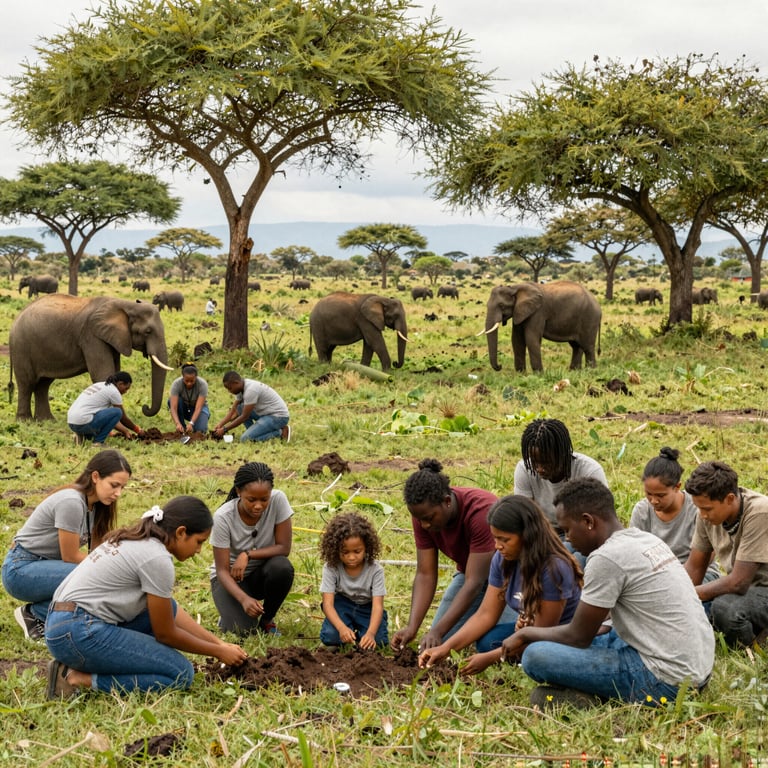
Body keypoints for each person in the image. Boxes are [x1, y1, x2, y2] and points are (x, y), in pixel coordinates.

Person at [503, 478, 714, 707]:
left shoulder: (606, 558)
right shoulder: (645, 539)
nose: (568, 539)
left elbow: (578, 636)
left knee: (535, 656)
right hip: (697, 668)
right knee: (599, 637)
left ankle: (597, 699)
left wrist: (526, 634)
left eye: (567, 530)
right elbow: (603, 625)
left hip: (666, 681)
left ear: (588, 522)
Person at [44, 496, 248, 699]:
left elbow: (171, 611)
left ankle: (78, 664)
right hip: (79, 632)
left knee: (165, 610)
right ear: (181, 532)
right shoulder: (157, 558)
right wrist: (217, 652)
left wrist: (220, 644)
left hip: (63, 626)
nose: (198, 550)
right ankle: (75, 678)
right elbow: (166, 634)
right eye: (199, 542)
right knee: (181, 674)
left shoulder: (140, 540)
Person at [418, 495, 582, 675]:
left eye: (505, 539)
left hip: (559, 637)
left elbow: (541, 635)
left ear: (527, 535)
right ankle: (515, 655)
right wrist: (446, 648)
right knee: (487, 642)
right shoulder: (503, 559)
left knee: (531, 652)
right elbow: (486, 614)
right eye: (495, 538)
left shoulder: (553, 569)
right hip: (529, 631)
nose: (497, 546)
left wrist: (490, 659)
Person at [2, 450, 132, 641]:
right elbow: (70, 557)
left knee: (99, 578)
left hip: (44, 567)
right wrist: (110, 572)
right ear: (95, 477)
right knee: (94, 579)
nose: (118, 493)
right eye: (114, 485)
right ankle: (35, 614)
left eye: (122, 487)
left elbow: (97, 554)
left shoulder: (96, 507)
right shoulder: (71, 502)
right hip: (20, 570)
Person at [390, 458, 515, 653]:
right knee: (440, 642)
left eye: (429, 519)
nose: (424, 526)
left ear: (447, 502)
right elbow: (425, 574)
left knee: (494, 643)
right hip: (468, 577)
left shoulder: (481, 512)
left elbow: (475, 582)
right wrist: (412, 627)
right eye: (419, 520)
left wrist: (437, 630)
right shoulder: (424, 515)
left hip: (506, 580)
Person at [684, 461, 768, 647]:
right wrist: (675, 595)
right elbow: (695, 567)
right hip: (746, 591)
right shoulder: (705, 515)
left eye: (707, 508)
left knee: (726, 608)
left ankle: (754, 647)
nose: (702, 514)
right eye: (699, 508)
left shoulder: (760, 511)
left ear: (730, 498)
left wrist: (688, 595)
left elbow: (738, 582)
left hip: (761, 588)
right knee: (694, 611)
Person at [210, 462, 295, 635]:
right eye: (251, 500)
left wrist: (247, 554)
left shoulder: (278, 500)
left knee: (282, 567)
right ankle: (229, 612)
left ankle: (266, 620)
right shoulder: (223, 517)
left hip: (261, 573)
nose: (258, 506)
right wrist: (243, 599)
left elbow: (284, 548)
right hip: (231, 579)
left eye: (264, 499)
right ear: (239, 492)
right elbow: (222, 571)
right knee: (243, 631)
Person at [514, 418, 607, 567]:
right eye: (534, 462)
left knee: (570, 562)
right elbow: (525, 518)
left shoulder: (589, 471)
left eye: (546, 462)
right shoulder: (525, 470)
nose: (539, 469)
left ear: (563, 453)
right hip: (544, 534)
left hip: (581, 536)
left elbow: (599, 523)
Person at [631, 447, 720, 582]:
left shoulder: (697, 508)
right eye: (649, 494)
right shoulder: (642, 511)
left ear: (677, 487)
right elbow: (635, 554)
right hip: (654, 576)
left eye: (661, 495)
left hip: (698, 574)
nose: (654, 501)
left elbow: (706, 557)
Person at [319, 512, 388, 649]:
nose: (351, 557)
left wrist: (371, 633)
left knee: (379, 642)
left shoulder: (375, 570)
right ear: (335, 549)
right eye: (345, 552)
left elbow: (377, 606)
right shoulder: (331, 568)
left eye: (357, 552)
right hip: (342, 605)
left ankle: (362, 634)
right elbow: (327, 604)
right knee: (331, 636)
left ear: (366, 548)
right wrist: (341, 628)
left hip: (367, 608)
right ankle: (347, 631)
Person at [67, 371, 145, 446]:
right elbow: (122, 418)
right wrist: (137, 430)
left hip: (72, 423)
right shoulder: (114, 392)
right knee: (118, 412)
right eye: (126, 388)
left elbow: (111, 419)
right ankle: (98, 442)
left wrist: (125, 431)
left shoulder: (101, 385)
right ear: (120, 384)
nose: (126, 392)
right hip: (83, 422)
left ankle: (81, 435)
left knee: (114, 414)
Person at [213, 370, 291, 443]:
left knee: (245, 439)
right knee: (240, 408)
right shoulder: (241, 387)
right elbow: (233, 410)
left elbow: (244, 416)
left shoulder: (251, 390)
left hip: (278, 417)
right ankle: (254, 432)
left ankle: (280, 432)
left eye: (230, 388)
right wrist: (220, 424)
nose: (229, 391)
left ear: (236, 383)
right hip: (265, 414)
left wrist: (225, 429)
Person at [168, 363, 211, 434]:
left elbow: (198, 407)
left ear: (196, 377)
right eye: (186, 381)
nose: (189, 383)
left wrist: (191, 423)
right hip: (184, 408)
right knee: (171, 401)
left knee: (200, 431)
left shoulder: (202, 384)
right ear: (182, 377)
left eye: (192, 381)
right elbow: (173, 407)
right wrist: (177, 423)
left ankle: (194, 424)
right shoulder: (176, 384)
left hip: (198, 409)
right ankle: (182, 427)